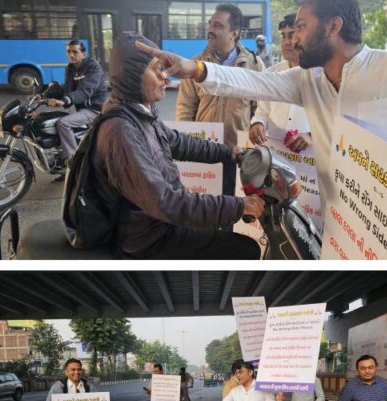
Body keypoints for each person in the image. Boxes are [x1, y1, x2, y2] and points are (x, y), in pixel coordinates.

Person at [136, 0, 387, 214]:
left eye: (302, 27)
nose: (293, 39)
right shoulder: (307, 80)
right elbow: (248, 82)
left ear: (333, 27)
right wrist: (193, 69)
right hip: (337, 217)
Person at [90, 32, 265, 260]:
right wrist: (239, 206)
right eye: (157, 70)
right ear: (132, 75)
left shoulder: (138, 113)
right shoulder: (121, 130)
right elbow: (165, 202)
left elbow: (179, 143)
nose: (167, 78)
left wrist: (231, 152)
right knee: (246, 248)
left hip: (161, 223)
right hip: (148, 239)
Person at [176, 4, 264, 197]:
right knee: (205, 215)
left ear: (235, 32)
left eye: (218, 26)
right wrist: (186, 151)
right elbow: (185, 110)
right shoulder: (195, 66)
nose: (210, 30)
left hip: (241, 156)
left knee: (237, 214)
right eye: (210, 24)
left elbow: (262, 111)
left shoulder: (254, 65)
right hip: (205, 156)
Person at [249, 14, 312, 152]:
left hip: (310, 162)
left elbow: (333, 121)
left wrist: (310, 136)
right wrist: (258, 123)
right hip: (275, 157)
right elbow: (262, 111)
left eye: (292, 35)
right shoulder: (272, 74)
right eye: (284, 36)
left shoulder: (321, 75)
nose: (286, 42)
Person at [46, 39, 108, 178]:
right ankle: (61, 161)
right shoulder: (70, 68)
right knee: (54, 121)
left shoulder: (93, 67)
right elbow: (67, 90)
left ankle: (74, 164)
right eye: (68, 52)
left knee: (63, 123)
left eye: (75, 51)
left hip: (94, 109)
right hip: (81, 110)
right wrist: (45, 95)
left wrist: (66, 100)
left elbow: (86, 91)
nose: (71, 55)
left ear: (83, 54)